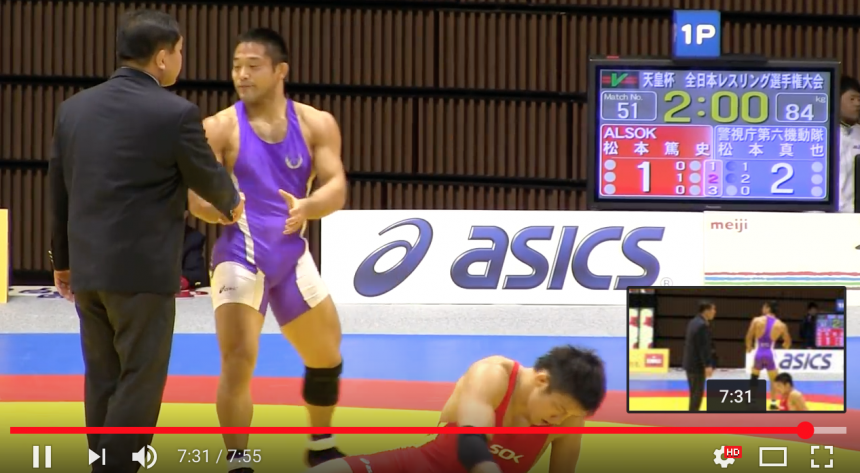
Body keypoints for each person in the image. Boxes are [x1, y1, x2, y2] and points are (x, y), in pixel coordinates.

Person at [48, 9, 244, 473]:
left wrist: (62, 261)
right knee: (140, 377)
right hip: (142, 274)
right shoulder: (176, 113)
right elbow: (208, 177)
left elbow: (58, 188)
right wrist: (233, 204)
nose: (180, 59)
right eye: (180, 51)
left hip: (89, 271)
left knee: (102, 378)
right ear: (161, 57)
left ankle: (101, 464)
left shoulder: (73, 109)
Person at [187, 28, 348, 471]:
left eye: (252, 66)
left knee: (327, 355)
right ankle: (238, 461)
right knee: (238, 360)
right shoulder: (219, 127)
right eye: (236, 66)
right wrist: (219, 210)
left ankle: (321, 444)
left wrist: (310, 206)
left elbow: (336, 186)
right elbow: (195, 197)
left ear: (280, 71)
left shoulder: (316, 123)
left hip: (292, 257)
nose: (241, 74)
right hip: (240, 257)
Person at [307, 345, 606, 473]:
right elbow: (470, 444)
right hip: (420, 466)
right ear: (542, 380)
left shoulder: (570, 417)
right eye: (559, 409)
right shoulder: (493, 374)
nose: (559, 420)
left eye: (569, 415)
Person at [745, 301, 792, 410]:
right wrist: (785, 346)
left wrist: (749, 347)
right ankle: (773, 403)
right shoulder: (781, 325)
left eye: (764, 307)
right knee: (774, 380)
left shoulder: (756, 321)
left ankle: (752, 401)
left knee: (754, 377)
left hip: (758, 353)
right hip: (770, 354)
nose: (762, 309)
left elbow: (748, 337)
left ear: (768, 308)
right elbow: (788, 342)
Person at [682, 301, 716, 412]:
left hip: (690, 363)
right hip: (697, 365)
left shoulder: (693, 322)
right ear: (706, 311)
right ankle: (693, 418)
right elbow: (703, 347)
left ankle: (692, 414)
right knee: (697, 395)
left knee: (694, 393)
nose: (714, 312)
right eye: (713, 309)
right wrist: (707, 365)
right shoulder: (702, 325)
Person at [838, 75, 860, 212]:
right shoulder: (823, 136)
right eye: (852, 99)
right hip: (826, 215)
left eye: (859, 99)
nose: (857, 104)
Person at [181, 212, 209, 291]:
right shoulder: (148, 234)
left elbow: (197, 275)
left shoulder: (192, 238)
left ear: (185, 214)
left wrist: (180, 282)